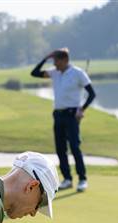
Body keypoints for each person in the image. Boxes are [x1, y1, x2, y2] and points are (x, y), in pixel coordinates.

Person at [31, 48, 96, 192]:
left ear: (65, 60)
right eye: (53, 61)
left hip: (72, 115)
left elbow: (92, 94)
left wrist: (82, 109)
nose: (54, 64)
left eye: (56, 61)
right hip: (58, 115)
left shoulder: (78, 73)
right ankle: (67, 179)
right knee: (60, 148)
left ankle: (82, 179)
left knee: (74, 147)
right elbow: (34, 73)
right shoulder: (55, 72)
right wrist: (45, 58)